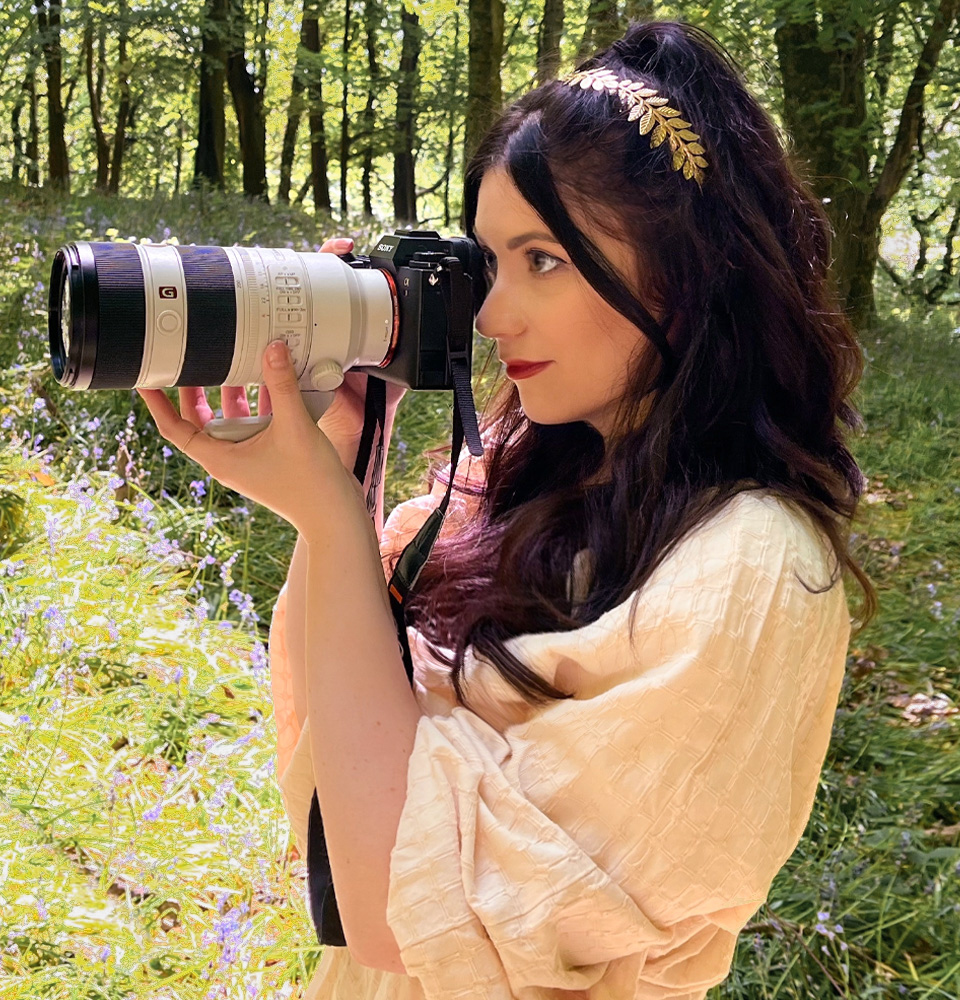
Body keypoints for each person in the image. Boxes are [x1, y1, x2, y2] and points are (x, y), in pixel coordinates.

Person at [142, 18, 878, 1000]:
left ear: (687, 273)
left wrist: (325, 519)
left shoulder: (749, 570)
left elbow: (390, 907)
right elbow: (335, 813)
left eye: (544, 259)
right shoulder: (522, 479)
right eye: (490, 261)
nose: (490, 316)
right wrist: (347, 481)